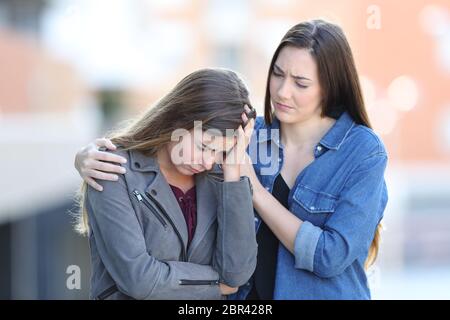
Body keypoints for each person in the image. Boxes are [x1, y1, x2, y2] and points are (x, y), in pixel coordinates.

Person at [75, 19, 388, 300]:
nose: (282, 91)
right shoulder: (248, 135)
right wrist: (86, 157)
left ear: (331, 88)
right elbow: (174, 133)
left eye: (300, 83)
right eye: (277, 74)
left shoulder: (362, 152)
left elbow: (330, 256)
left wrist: (251, 187)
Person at [75, 68, 258, 300]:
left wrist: (233, 173)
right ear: (177, 120)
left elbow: (236, 274)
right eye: (204, 146)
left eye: (220, 151)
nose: (208, 161)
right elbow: (138, 279)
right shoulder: (112, 168)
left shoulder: (219, 179)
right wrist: (217, 284)